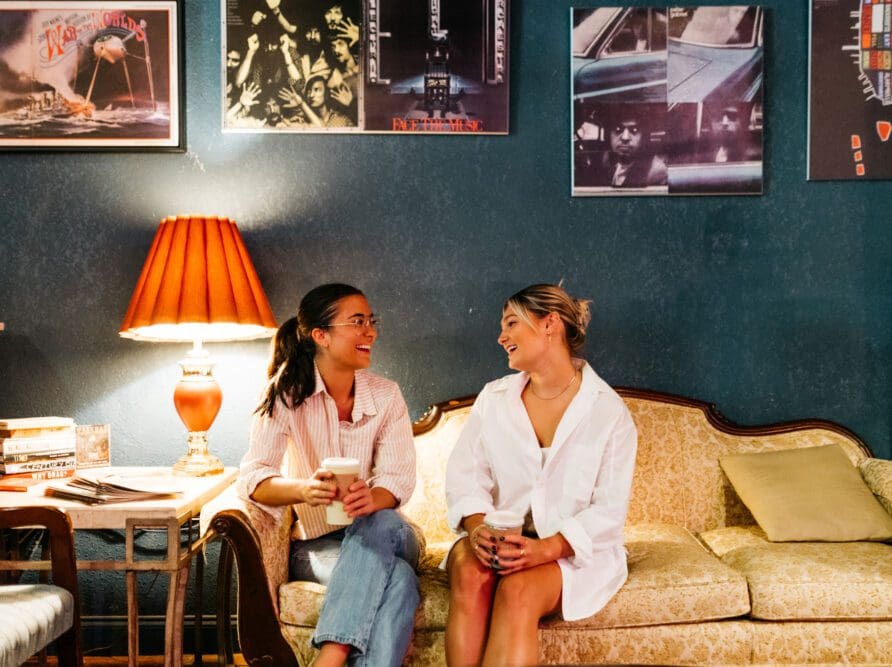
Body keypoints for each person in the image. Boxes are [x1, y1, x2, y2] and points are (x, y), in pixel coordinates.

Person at [444, 283, 638, 666]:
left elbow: (610, 509)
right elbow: (465, 475)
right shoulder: (494, 399)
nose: (501, 337)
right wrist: (478, 527)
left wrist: (545, 549)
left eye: (511, 324)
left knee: (518, 590)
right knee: (470, 571)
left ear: (549, 324)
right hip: (497, 539)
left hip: (569, 551)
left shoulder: (608, 412)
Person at [238, 283, 420, 667]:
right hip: (319, 545)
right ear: (320, 335)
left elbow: (399, 478)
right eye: (357, 322)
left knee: (382, 521)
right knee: (400, 581)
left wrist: (375, 497)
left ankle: (331, 654)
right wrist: (304, 490)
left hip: (389, 532)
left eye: (371, 321)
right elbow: (254, 479)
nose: (370, 331)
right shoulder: (285, 396)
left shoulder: (386, 396)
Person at [575, 107, 667, 189]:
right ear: (609, 135)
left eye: (634, 130)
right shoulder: (605, 160)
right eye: (618, 129)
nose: (625, 137)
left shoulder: (656, 171)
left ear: (644, 136)